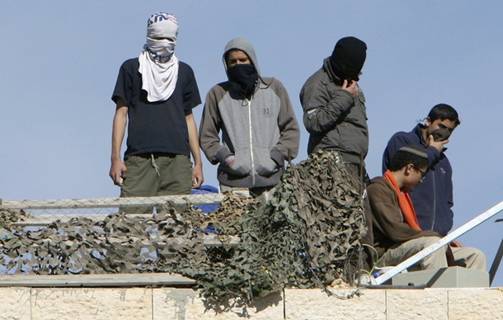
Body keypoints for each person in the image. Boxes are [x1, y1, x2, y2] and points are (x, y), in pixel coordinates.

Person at [109, 13, 203, 206]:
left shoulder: (184, 72)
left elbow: (189, 118)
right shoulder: (131, 68)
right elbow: (121, 113)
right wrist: (115, 158)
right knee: (131, 226)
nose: (164, 43)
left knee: (178, 227)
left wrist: (198, 163)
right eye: (159, 37)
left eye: (169, 38)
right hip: (139, 160)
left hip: (177, 160)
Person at [199, 37, 299, 196]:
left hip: (273, 182)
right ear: (227, 65)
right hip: (233, 185)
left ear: (252, 60)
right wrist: (226, 158)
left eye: (243, 60)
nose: (238, 65)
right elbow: (207, 135)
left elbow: (291, 129)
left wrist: (276, 156)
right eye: (233, 62)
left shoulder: (274, 88)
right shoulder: (217, 93)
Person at [299, 36, 372, 243]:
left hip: (356, 165)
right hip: (331, 165)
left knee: (363, 229)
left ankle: (364, 273)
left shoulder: (351, 83)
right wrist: (344, 97)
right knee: (341, 229)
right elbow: (313, 122)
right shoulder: (317, 84)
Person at [369, 145, 486, 271]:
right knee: (433, 244)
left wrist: (443, 241)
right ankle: (439, 290)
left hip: (406, 247)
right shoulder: (378, 189)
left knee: (474, 255)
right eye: (422, 174)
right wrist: (438, 238)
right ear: (409, 169)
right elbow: (396, 231)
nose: (421, 181)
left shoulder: (402, 195)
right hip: (384, 255)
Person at [382, 104, 460, 236]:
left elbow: (447, 202)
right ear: (428, 121)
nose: (445, 133)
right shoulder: (402, 140)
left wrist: (444, 228)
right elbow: (406, 173)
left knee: (475, 255)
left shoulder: (444, 163)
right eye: (441, 126)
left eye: (450, 130)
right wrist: (433, 151)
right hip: (406, 232)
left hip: (437, 237)